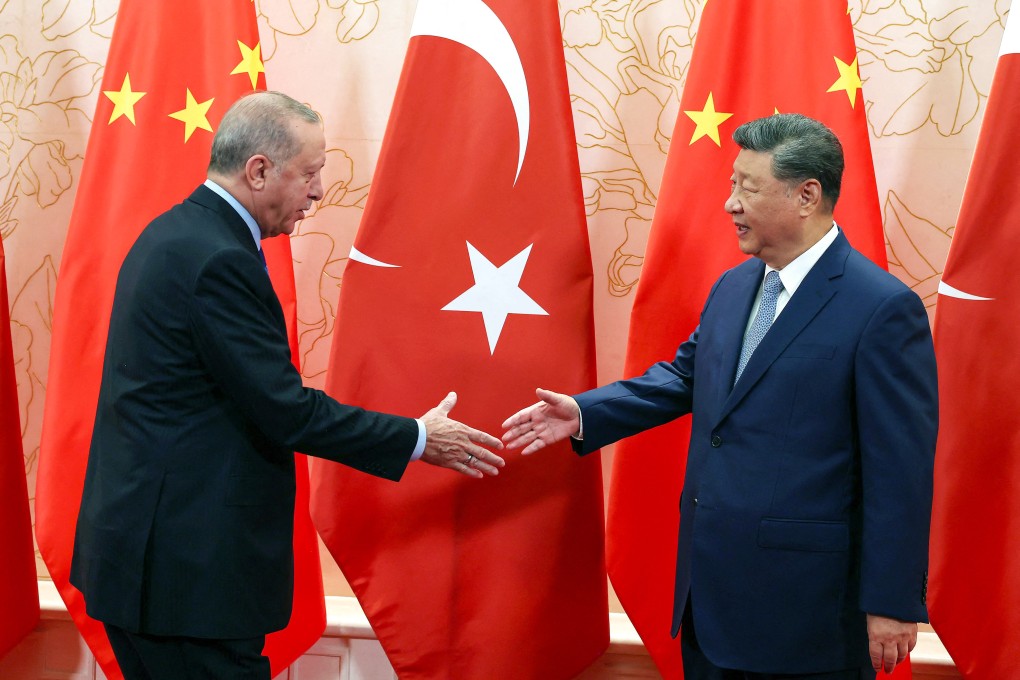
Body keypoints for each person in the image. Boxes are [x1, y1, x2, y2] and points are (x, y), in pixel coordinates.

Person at [70, 91, 505, 680]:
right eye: (311, 173)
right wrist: (418, 438)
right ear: (258, 170)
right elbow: (286, 411)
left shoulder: (174, 234)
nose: (319, 192)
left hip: (152, 567)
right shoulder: (217, 259)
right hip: (186, 584)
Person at [503, 113, 937, 679]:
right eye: (733, 184)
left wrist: (892, 601)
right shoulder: (736, 286)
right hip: (708, 598)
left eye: (747, 187)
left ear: (807, 195)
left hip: (807, 612)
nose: (730, 202)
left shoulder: (880, 308)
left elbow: (900, 469)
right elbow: (687, 377)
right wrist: (586, 411)